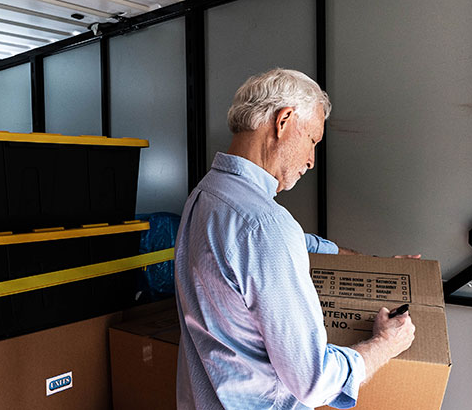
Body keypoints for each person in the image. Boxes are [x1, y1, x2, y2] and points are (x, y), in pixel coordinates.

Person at [174, 69, 415, 409]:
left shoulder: (206, 196)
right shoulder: (265, 225)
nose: (311, 160)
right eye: (313, 140)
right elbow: (313, 382)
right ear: (283, 120)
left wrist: (373, 265)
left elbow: (295, 244)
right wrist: (386, 344)